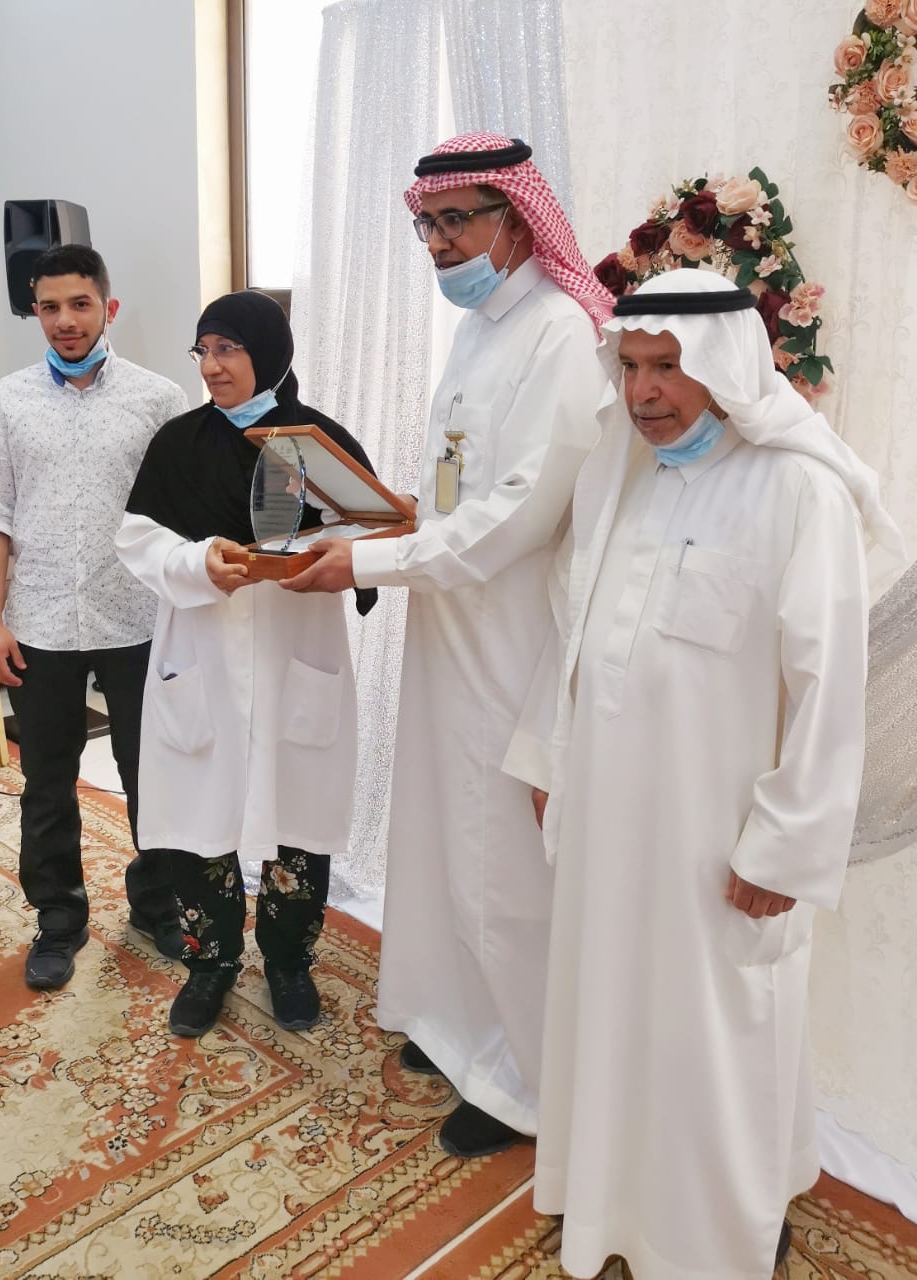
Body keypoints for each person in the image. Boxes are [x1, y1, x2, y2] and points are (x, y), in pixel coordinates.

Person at [505, 269, 904, 1279]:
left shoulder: (798, 492)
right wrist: (550, 753)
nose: (644, 392)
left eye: (668, 368)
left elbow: (829, 687)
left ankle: (717, 1241)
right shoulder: (620, 475)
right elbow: (575, 625)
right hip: (609, 821)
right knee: (611, 1012)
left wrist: (786, 844)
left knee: (721, 1034)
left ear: (725, 369)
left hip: (718, 836)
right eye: (631, 366)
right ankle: (613, 1209)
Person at [281, 133, 614, 1156]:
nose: (435, 242)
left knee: (502, 859)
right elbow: (460, 490)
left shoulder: (561, 335)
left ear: (517, 219)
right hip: (447, 626)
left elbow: (520, 515)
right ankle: (463, 1026)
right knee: (443, 838)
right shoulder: (478, 330)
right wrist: (390, 518)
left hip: (511, 639)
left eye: (455, 220)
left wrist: (374, 560)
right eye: (425, 223)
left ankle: (526, 1080)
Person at [115, 290, 378, 1039]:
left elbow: (369, 529)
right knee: (199, 814)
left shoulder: (315, 444)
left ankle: (290, 962)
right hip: (201, 651)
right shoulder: (178, 443)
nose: (211, 365)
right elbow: (138, 540)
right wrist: (199, 561)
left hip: (296, 651)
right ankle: (211, 965)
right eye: (203, 350)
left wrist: (325, 555)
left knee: (298, 812)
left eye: (227, 348)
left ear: (268, 351)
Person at [0, 244, 188, 992]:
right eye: (50, 307)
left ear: (108, 308)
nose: (65, 320)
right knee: (47, 780)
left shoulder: (159, 399)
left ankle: (157, 902)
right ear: (35, 312)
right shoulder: (9, 400)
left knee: (152, 775)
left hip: (141, 620)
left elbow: (182, 511)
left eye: (80, 304)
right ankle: (59, 918)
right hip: (41, 621)